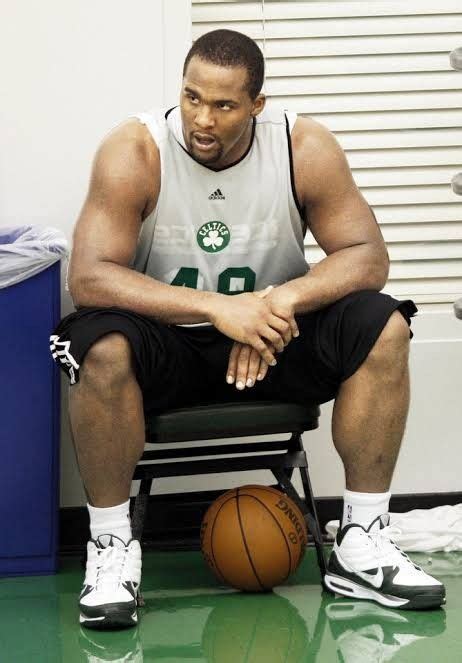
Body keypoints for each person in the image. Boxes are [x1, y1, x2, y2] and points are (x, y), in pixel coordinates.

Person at [49, 28, 445, 630]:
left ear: (257, 106)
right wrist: (216, 308)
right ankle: (109, 548)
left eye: (224, 105)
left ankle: (362, 542)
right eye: (191, 98)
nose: (201, 119)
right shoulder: (136, 150)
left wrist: (272, 305)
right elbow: (91, 277)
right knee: (96, 344)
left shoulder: (302, 146)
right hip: (173, 346)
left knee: (383, 323)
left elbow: (366, 255)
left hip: (275, 339)